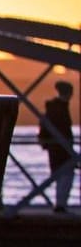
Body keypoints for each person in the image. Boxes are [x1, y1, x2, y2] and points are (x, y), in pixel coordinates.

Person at [39, 80, 75, 212]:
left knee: (61, 175)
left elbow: (44, 125)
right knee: (66, 175)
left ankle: (60, 204)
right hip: (61, 148)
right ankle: (60, 205)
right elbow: (64, 130)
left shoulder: (53, 107)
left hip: (56, 148)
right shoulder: (60, 108)